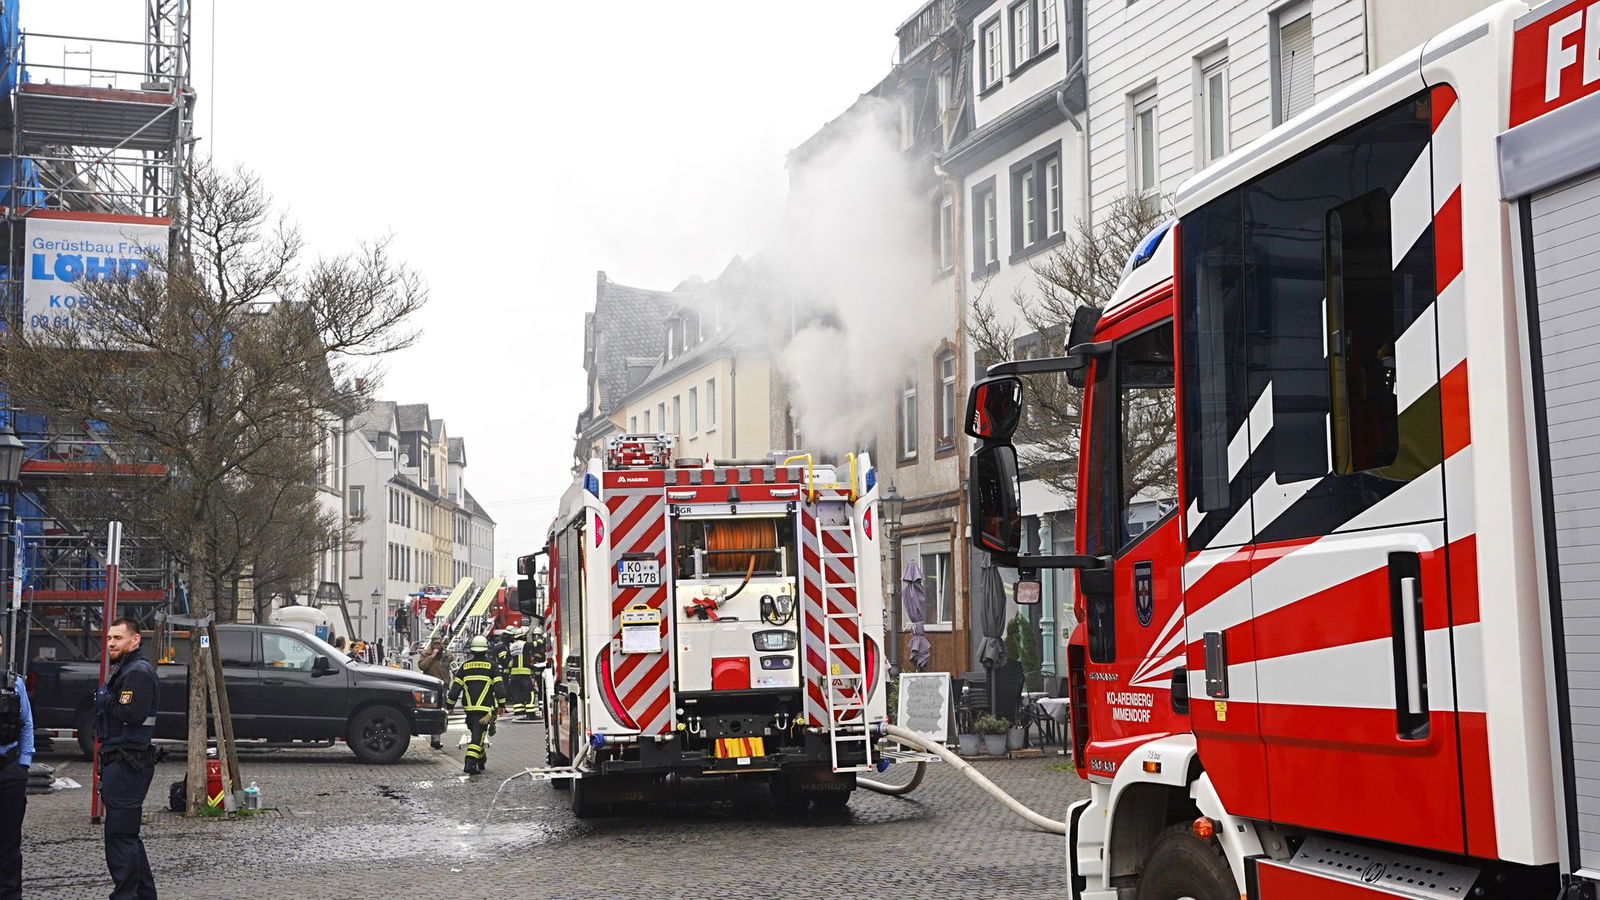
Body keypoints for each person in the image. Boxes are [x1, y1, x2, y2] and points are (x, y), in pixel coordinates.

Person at [96, 617, 160, 899]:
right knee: (126, 836)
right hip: (122, 760)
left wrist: (105, 699)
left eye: (117, 638)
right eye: (109, 638)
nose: (111, 643)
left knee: (120, 837)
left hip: (127, 761)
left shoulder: (136, 672)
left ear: (135, 640)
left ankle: (125, 896)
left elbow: (131, 713)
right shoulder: (126, 669)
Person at [0, 632, 35, 900]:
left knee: (9, 843)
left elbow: (27, 726)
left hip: (8, 772)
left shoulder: (13, 684)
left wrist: (23, 765)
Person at [444, 635, 504, 775]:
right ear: (486, 650)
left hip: (469, 710)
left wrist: (450, 706)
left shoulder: (465, 667)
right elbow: (499, 688)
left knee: (478, 734)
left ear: (472, 651)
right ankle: (470, 762)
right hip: (485, 709)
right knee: (478, 736)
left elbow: (455, 689)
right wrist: (501, 705)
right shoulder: (492, 666)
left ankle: (481, 759)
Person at [419, 641, 452, 750]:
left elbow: (455, 667)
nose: (437, 647)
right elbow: (422, 666)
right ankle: (433, 736)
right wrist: (432, 656)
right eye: (435, 644)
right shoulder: (426, 654)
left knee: (441, 711)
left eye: (439, 644)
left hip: (443, 686)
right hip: (430, 686)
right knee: (432, 712)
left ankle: (437, 738)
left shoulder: (447, 655)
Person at [506, 634, 534, 720]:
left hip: (514, 675)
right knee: (529, 692)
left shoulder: (511, 647)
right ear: (523, 637)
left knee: (517, 693)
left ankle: (518, 710)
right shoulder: (524, 644)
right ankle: (530, 713)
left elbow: (509, 662)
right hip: (524, 674)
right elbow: (536, 644)